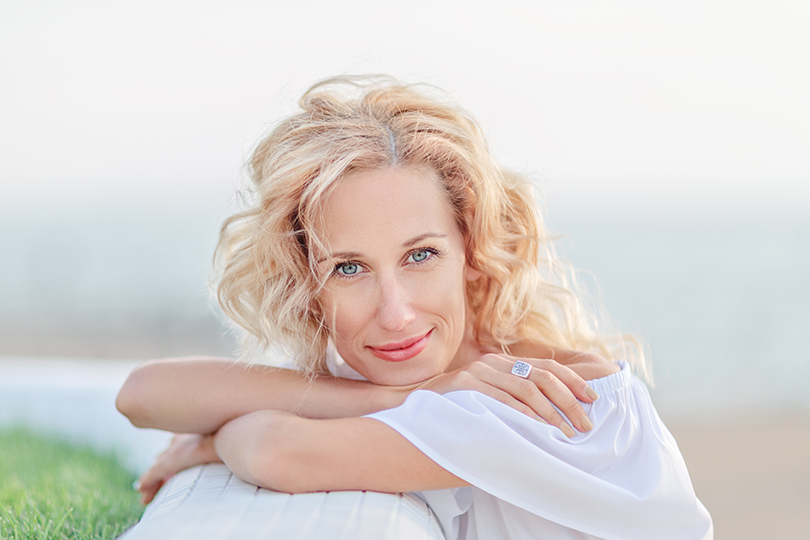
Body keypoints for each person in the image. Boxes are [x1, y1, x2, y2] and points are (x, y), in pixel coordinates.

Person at [116, 76, 713, 539]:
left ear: (472, 250)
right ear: (307, 285)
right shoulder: (427, 389)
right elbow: (142, 394)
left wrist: (209, 442)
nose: (395, 312)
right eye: (348, 268)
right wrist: (402, 396)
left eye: (420, 255)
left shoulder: (555, 402)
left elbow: (274, 448)